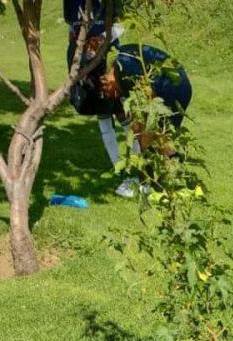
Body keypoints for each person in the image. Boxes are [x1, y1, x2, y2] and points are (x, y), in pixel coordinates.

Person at [63, 0, 137, 197]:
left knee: (121, 111)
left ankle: (139, 166)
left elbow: (122, 25)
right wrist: (77, 56)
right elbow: (72, 27)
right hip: (86, 62)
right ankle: (118, 168)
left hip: (108, 59)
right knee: (102, 113)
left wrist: (102, 38)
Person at [99, 44, 193, 154]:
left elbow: (148, 100)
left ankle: (153, 166)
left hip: (171, 86)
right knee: (164, 138)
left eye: (106, 91)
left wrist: (143, 142)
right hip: (179, 82)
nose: (113, 95)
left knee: (156, 138)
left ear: (104, 79)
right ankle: (169, 165)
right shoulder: (120, 64)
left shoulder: (124, 66)